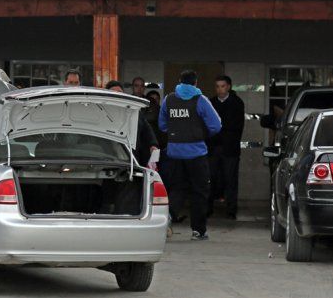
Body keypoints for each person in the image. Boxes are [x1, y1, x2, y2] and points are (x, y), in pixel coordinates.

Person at [159, 70, 221, 241]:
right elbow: (216, 125)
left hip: (174, 153)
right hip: (196, 153)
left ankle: (168, 219)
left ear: (179, 81)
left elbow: (162, 125)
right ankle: (198, 231)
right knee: (199, 191)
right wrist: (201, 133)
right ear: (195, 83)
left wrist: (176, 132)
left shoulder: (168, 99)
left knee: (176, 188)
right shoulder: (201, 100)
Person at [208, 75, 246, 220]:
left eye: (222, 86)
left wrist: (220, 132)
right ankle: (208, 208)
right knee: (211, 178)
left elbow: (236, 127)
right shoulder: (210, 103)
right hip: (213, 147)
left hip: (230, 148)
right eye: (217, 86)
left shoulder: (237, 103)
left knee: (230, 179)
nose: (220, 89)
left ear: (229, 87)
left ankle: (231, 209)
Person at [105, 80, 159, 170]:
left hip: (132, 156)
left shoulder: (133, 110)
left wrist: (153, 145)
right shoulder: (102, 112)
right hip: (108, 157)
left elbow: (147, 130)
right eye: (114, 93)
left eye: (119, 93)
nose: (117, 95)